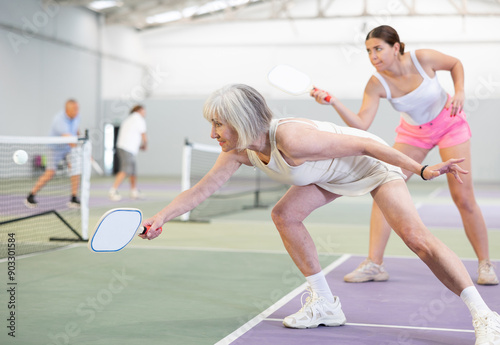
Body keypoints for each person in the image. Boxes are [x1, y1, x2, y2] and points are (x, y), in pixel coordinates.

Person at [140, 84, 499, 343]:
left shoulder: (293, 138)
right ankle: (325, 304)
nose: (213, 132)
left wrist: (421, 170)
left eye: (218, 123)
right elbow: (200, 191)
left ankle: (484, 315)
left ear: (241, 120)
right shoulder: (238, 151)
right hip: (329, 175)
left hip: (370, 166)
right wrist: (161, 218)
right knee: (284, 214)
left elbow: (366, 142)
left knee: (416, 239)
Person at [311, 25, 498, 286]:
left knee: (463, 197)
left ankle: (485, 264)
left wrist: (460, 90)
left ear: (396, 47)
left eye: (378, 48)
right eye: (368, 51)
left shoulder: (422, 59)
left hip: (450, 124)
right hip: (413, 135)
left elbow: (455, 63)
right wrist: (333, 102)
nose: (373, 56)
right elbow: (362, 124)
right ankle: (374, 264)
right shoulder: (376, 83)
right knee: (384, 188)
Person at [25, 99, 81, 208]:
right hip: (54, 148)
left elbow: (76, 130)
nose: (77, 111)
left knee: (75, 170)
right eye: (74, 109)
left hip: (67, 148)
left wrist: (82, 139)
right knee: (50, 173)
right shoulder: (59, 120)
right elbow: (69, 140)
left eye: (77, 108)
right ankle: (31, 196)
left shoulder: (77, 116)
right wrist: (83, 149)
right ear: (67, 110)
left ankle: (74, 198)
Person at [109, 105, 148, 201]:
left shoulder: (128, 119)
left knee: (133, 170)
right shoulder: (139, 119)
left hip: (123, 147)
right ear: (139, 111)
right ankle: (113, 190)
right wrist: (145, 145)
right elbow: (143, 135)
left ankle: (133, 191)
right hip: (128, 148)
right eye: (143, 111)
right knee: (125, 169)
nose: (145, 113)